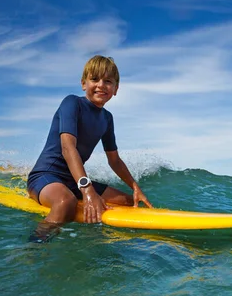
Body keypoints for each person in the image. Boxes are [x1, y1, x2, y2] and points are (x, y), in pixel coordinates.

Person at [27, 55, 152, 233]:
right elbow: (67, 147)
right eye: (94, 79)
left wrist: (135, 187)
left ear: (116, 89)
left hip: (73, 180)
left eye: (108, 81)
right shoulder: (72, 103)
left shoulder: (107, 118)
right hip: (46, 176)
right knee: (66, 203)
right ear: (84, 83)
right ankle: (33, 248)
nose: (101, 85)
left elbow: (114, 160)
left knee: (128, 202)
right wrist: (87, 191)